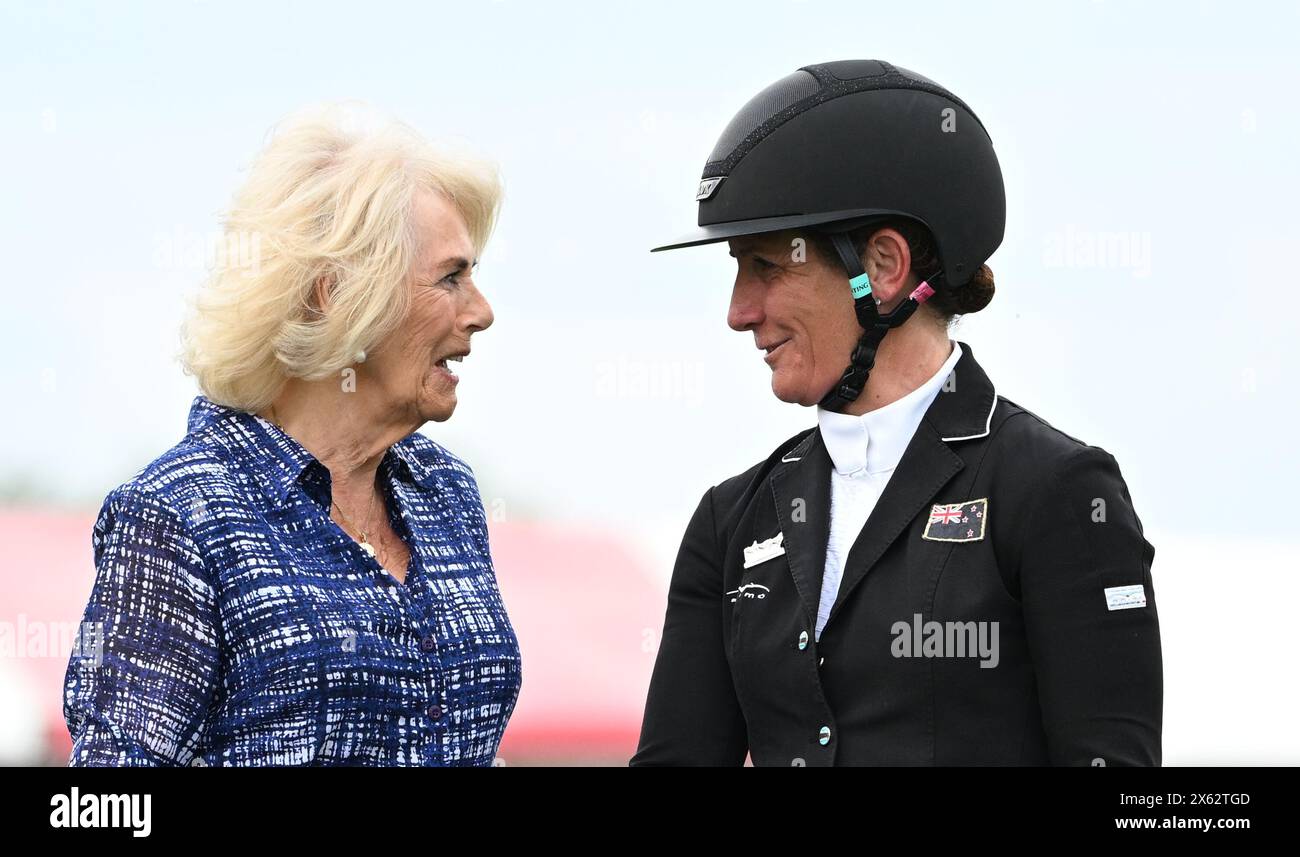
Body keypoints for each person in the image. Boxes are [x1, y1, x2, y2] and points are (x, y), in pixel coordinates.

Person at [632, 60, 1162, 766]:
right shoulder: (731, 520)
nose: (738, 312)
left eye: (764, 266)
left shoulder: (1055, 491)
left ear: (882, 266)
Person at [62, 105, 521, 766]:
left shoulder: (445, 491)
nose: (482, 311)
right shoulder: (178, 513)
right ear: (338, 295)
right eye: (451, 277)